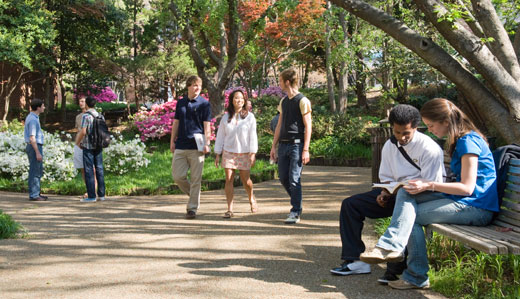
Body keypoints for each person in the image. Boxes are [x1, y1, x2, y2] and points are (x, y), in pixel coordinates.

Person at [360, 98, 499, 290]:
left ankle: (411, 270)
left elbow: (467, 188)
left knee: (412, 217)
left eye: (431, 125)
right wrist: (422, 185)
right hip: (463, 201)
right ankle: (392, 248)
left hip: (477, 208)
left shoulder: (468, 142)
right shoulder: (462, 140)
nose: (430, 130)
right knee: (407, 191)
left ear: (446, 122)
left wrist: (429, 184)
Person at [330, 104, 445, 285]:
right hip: (395, 193)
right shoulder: (390, 145)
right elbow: (387, 177)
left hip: (421, 198)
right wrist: (384, 192)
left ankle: (395, 270)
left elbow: (433, 185)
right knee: (351, 204)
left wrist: (403, 189)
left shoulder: (429, 148)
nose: (402, 137)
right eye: (398, 132)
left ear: (416, 127)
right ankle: (355, 261)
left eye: (406, 133)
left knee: (404, 200)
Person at [270, 68, 312, 224]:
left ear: (287, 82)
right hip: (283, 145)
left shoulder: (303, 101)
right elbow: (279, 125)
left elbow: (308, 126)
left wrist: (306, 149)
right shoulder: (283, 102)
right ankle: (297, 202)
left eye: (280, 80)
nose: (279, 83)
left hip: (297, 145)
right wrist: (273, 146)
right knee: (283, 177)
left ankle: (295, 211)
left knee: (294, 178)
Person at [170, 75, 212, 219]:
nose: (197, 88)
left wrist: (207, 143)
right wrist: (172, 141)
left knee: (196, 179)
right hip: (181, 144)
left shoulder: (204, 104)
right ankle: (194, 196)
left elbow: (207, 125)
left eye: (199, 86)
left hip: (197, 147)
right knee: (178, 176)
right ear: (188, 86)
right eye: (194, 85)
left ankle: (192, 208)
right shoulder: (180, 103)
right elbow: (176, 123)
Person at [214, 89, 258, 218]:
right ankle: (229, 209)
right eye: (236, 98)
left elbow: (253, 136)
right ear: (232, 101)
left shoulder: (250, 117)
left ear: (244, 101)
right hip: (228, 152)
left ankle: (251, 199)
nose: (239, 100)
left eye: (241, 98)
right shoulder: (226, 117)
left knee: (246, 181)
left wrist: (252, 153)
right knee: (228, 179)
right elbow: (220, 136)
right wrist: (217, 153)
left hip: (244, 153)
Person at [75, 96, 106, 202]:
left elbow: (83, 131)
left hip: (88, 145)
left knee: (88, 170)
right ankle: (101, 195)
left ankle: (91, 196)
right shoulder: (100, 115)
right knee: (99, 169)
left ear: (87, 104)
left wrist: (77, 142)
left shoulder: (86, 116)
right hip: (98, 145)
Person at [24, 98, 47, 201]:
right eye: (43, 106)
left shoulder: (33, 117)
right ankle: (34, 194)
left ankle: (36, 192)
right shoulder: (33, 119)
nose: (44, 107)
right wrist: (37, 152)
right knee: (35, 170)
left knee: (36, 170)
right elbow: (32, 137)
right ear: (38, 107)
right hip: (34, 147)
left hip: (34, 146)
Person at [73, 96, 96, 198]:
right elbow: (78, 131)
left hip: (89, 144)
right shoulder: (78, 117)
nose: (81, 103)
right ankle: (88, 189)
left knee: (92, 168)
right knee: (83, 169)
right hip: (79, 145)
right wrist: (77, 143)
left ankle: (94, 190)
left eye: (83, 101)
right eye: (79, 101)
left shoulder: (92, 115)